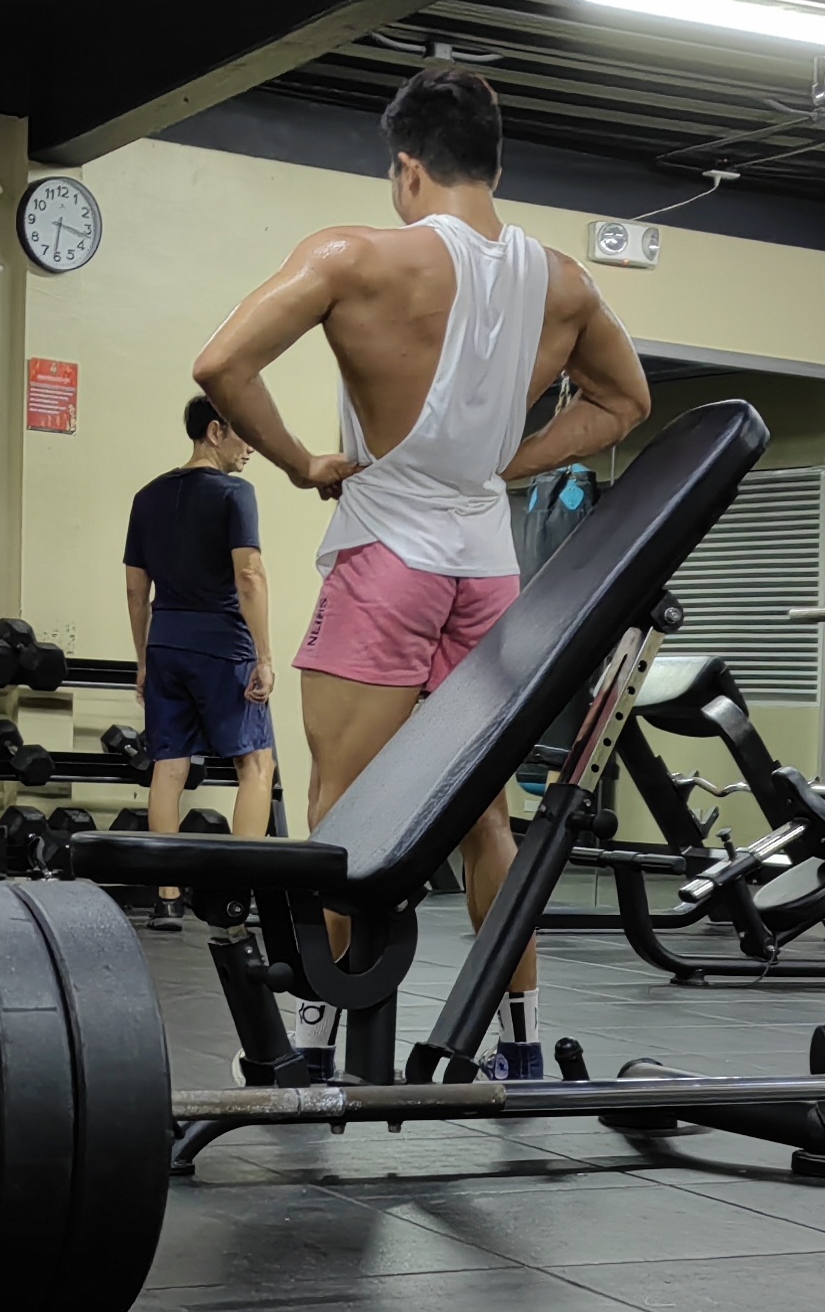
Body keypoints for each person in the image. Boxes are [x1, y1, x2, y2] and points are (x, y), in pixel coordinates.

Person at [189, 66, 649, 1075]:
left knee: (344, 802)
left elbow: (221, 366)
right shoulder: (565, 282)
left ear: (407, 170)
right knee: (489, 817)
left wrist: (305, 460)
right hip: (489, 574)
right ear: (495, 163)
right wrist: (508, 462)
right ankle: (519, 1048)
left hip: (386, 554)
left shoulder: (355, 255)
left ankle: (312, 1043)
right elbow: (625, 404)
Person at [122, 395, 277, 929]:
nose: (250, 448)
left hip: (166, 643)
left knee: (169, 767)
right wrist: (265, 656)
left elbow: (134, 588)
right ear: (215, 431)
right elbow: (249, 574)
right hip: (223, 646)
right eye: (243, 436)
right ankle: (235, 895)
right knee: (256, 765)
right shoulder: (236, 494)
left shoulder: (147, 497)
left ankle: (167, 899)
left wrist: (144, 658)